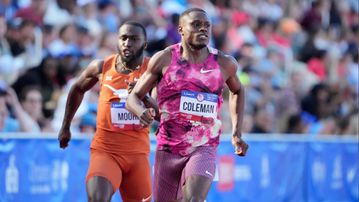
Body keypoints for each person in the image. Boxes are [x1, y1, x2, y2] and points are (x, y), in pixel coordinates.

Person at [127, 8, 249, 202]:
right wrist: (141, 111)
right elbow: (133, 98)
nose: (203, 30)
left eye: (207, 26)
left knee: (193, 198)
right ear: (181, 29)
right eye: (196, 25)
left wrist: (236, 132)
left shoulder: (224, 63)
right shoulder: (164, 59)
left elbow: (238, 90)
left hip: (204, 146)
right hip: (168, 147)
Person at [57, 21, 158, 202]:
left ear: (145, 44)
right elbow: (77, 89)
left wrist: (143, 97)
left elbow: (162, 112)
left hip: (138, 156)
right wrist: (65, 127)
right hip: (105, 151)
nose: (127, 43)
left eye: (134, 39)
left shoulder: (153, 71)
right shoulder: (101, 67)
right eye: (123, 38)